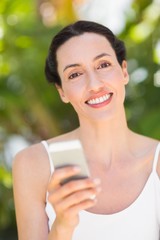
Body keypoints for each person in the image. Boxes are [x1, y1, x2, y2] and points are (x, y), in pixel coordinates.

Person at [12, 20, 160, 240]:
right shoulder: (35, 164)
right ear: (61, 91)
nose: (94, 85)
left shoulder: (156, 161)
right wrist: (63, 226)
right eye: (74, 74)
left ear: (124, 71)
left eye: (103, 65)